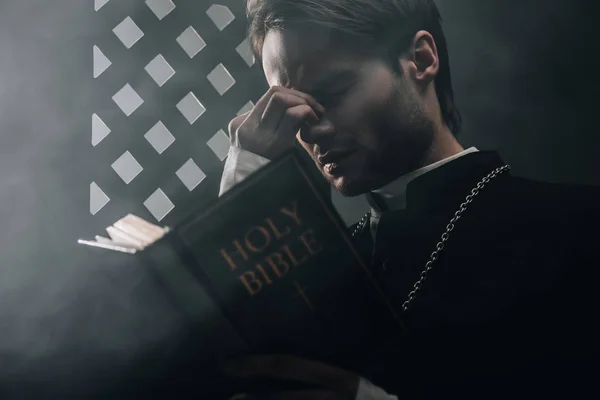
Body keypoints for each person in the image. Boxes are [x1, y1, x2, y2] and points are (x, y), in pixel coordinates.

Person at [218, 0, 600, 399]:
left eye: (332, 92)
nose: (311, 130)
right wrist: (243, 188)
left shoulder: (580, 229)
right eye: (291, 108)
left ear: (420, 59)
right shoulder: (329, 267)